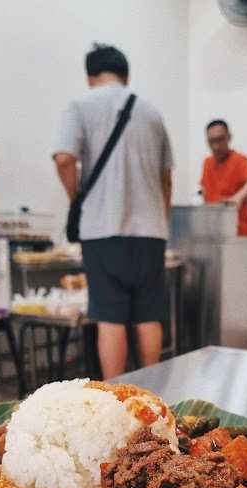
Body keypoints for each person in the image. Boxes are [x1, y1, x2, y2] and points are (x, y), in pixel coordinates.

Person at [53, 44, 173, 379]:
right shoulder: (152, 112)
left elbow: (64, 159)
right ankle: (153, 396)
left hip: (103, 229)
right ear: (126, 74)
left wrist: (78, 198)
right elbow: (167, 178)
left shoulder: (80, 105)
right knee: (149, 314)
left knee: (111, 316)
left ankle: (118, 397)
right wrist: (160, 221)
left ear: (90, 76)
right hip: (150, 231)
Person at [200, 119, 247, 236]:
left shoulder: (239, 160)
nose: (216, 146)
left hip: (239, 234)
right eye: (211, 141)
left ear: (229, 137)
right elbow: (204, 191)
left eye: (220, 139)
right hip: (215, 234)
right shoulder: (207, 163)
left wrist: (238, 197)